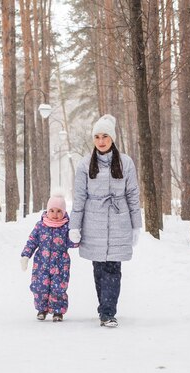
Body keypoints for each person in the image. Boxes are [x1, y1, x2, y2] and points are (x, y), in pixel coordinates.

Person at [68, 114, 141, 328]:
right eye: (97, 137)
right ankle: (104, 307)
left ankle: (108, 312)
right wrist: (75, 226)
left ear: (112, 138)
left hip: (119, 220)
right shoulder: (84, 165)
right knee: (99, 267)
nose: (101, 141)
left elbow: (133, 195)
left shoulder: (125, 163)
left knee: (113, 267)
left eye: (105, 136)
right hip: (93, 222)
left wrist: (136, 224)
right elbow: (79, 197)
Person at [21, 193, 79, 322]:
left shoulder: (66, 227)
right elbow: (32, 241)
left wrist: (75, 238)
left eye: (59, 211)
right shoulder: (40, 225)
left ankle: (57, 311)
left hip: (60, 263)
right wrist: (25, 255)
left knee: (58, 288)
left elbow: (72, 243)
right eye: (52, 210)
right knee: (39, 286)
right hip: (41, 263)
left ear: (64, 212)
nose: (55, 214)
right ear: (47, 211)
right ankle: (42, 308)